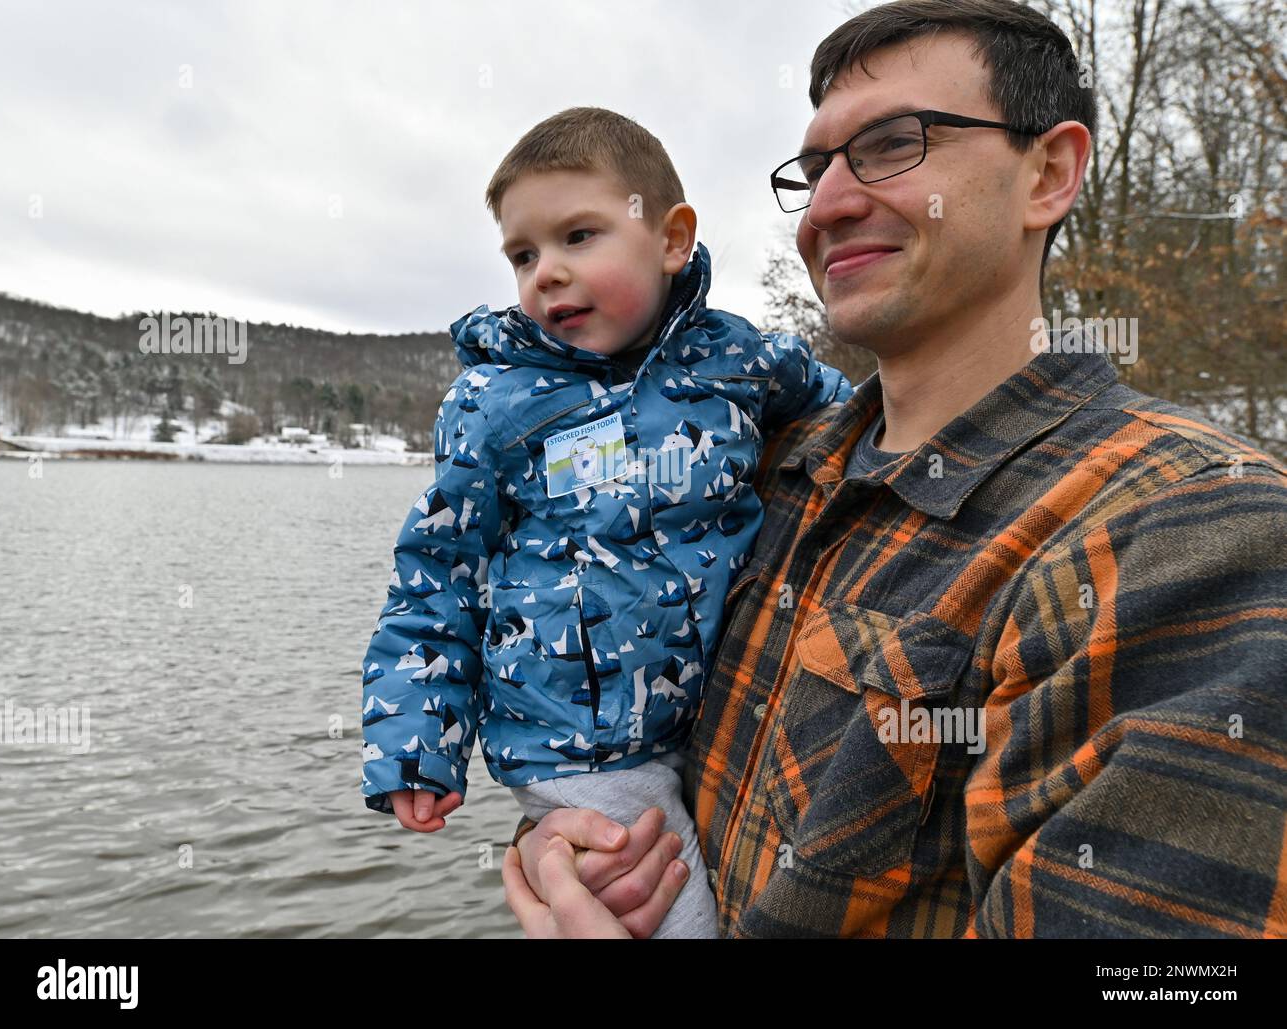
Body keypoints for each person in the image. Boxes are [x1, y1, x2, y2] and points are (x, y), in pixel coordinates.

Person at [503, 0, 1287, 939]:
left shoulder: (1186, 524)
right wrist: (570, 835)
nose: (828, 205)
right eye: (816, 167)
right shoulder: (762, 473)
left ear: (1050, 171)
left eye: (893, 144)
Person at [358, 106, 853, 938]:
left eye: (578, 236)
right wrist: (416, 737)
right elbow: (436, 576)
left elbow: (851, 409)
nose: (545, 271)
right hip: (579, 744)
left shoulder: (736, 360)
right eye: (524, 253)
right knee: (673, 914)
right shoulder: (497, 403)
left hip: (715, 713)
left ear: (670, 240)